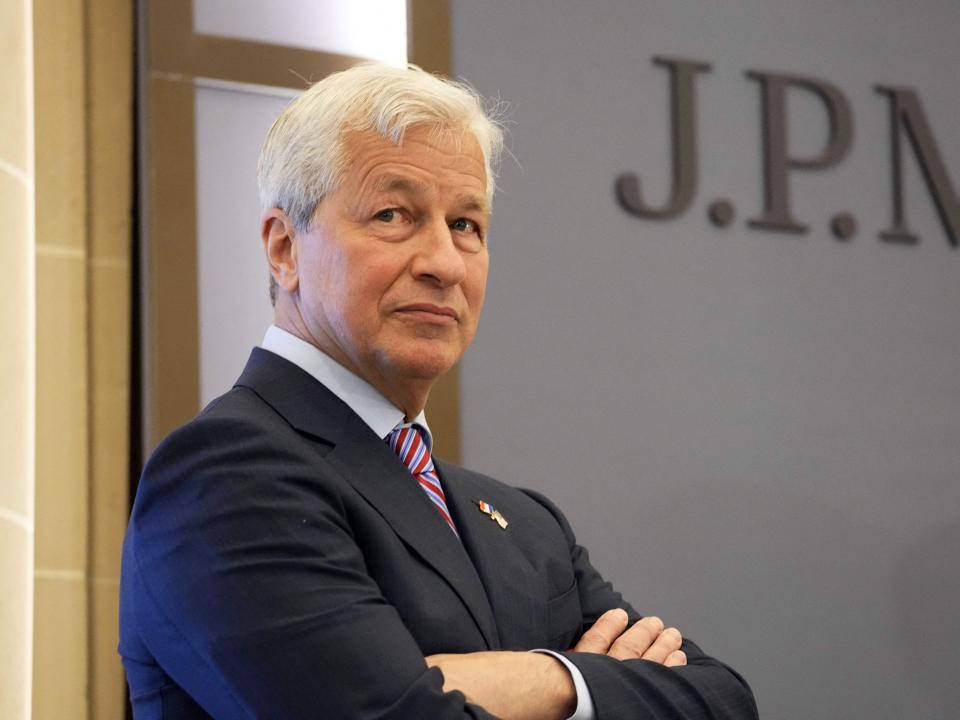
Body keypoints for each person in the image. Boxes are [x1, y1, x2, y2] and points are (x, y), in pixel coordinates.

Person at [119, 63, 758, 720]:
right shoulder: (227, 473)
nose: (444, 263)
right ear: (285, 248)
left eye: (465, 225)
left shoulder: (526, 527)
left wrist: (549, 678)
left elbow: (723, 701)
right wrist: (594, 683)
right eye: (393, 214)